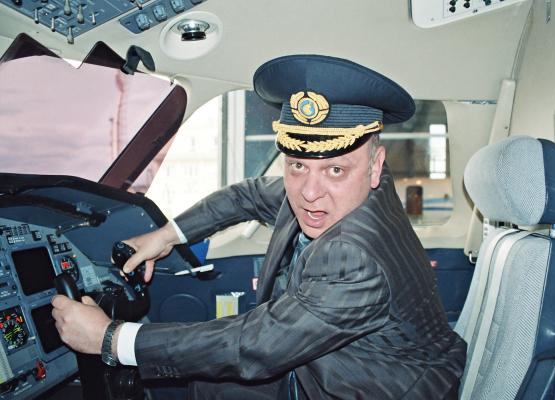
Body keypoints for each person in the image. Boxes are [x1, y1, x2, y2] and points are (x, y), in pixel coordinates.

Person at [52, 54, 466, 399]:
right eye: (297, 164)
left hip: (376, 387)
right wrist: (165, 236)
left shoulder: (356, 257)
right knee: (207, 385)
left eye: (335, 169)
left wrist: (111, 338)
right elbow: (247, 195)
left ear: (376, 166)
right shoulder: (357, 187)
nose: (310, 193)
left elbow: (257, 346)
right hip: (344, 363)